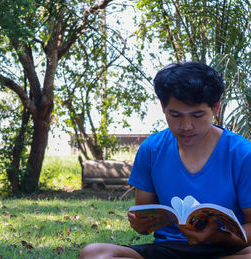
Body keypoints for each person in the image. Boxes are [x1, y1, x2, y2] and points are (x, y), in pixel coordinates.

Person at [79, 61, 251, 259]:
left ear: (216, 108)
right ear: (163, 107)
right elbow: (143, 221)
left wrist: (219, 237)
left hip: (226, 251)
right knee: (94, 253)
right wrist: (140, 224)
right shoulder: (152, 149)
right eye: (175, 115)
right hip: (169, 250)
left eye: (197, 115)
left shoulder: (242, 154)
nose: (186, 126)